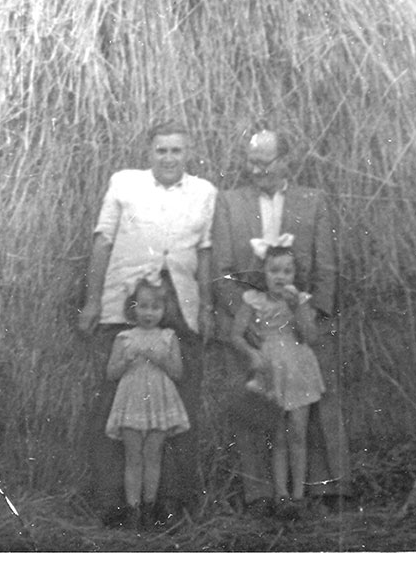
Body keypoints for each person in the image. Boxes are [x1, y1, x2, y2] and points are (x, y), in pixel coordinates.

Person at [78, 121, 217, 525]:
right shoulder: (124, 184)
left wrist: (206, 305)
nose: (169, 158)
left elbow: (205, 252)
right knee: (116, 408)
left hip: (179, 307)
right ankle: (114, 502)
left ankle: (169, 502)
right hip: (128, 303)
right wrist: (91, 300)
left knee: (177, 407)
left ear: (188, 153)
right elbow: (102, 240)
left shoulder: (204, 192)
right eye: (161, 151)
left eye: (176, 151)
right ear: (149, 152)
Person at [212, 128, 351, 515]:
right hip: (257, 325)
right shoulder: (230, 203)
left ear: (286, 161)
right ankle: (261, 496)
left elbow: (325, 264)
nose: (257, 171)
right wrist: (246, 315)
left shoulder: (312, 201)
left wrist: (315, 315)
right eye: (251, 163)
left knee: (316, 402)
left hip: (303, 321)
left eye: (265, 162)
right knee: (258, 407)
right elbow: (221, 269)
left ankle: (328, 488)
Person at [231, 243, 325, 518]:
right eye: (274, 271)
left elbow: (310, 336)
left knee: (298, 431)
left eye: (287, 271)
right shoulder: (254, 300)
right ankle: (281, 495)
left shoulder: (299, 300)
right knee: (279, 435)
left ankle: (298, 495)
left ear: (295, 274)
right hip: (271, 368)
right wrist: (251, 354)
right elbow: (236, 335)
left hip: (298, 366)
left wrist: (297, 308)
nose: (280, 276)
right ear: (263, 272)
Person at [105, 276, 190, 531]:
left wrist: (161, 359)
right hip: (132, 400)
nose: (149, 313)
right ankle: (133, 509)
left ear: (165, 310)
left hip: (159, 401)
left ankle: (149, 507)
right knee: (133, 456)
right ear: (133, 307)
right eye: (143, 306)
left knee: (153, 454)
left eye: (155, 307)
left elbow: (177, 372)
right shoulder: (124, 338)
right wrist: (126, 361)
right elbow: (111, 373)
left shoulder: (168, 336)